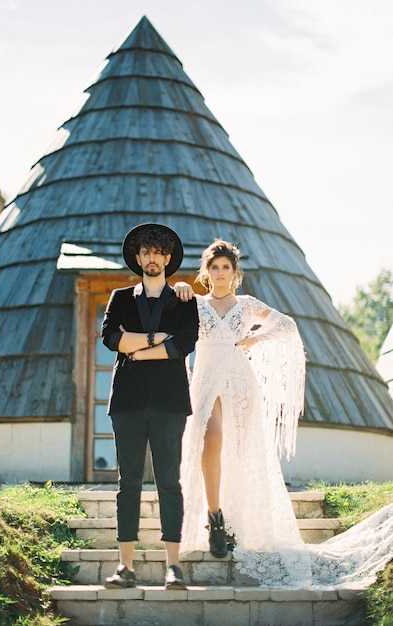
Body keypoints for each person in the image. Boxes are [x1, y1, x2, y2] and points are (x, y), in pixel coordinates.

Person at [175, 239, 393, 588]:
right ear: (206, 271)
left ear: (234, 273)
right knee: (210, 440)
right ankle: (214, 518)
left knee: (241, 452)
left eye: (225, 268)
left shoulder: (245, 305)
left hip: (238, 378)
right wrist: (180, 285)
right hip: (205, 379)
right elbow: (170, 311)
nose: (219, 273)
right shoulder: (195, 304)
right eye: (213, 267)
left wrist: (254, 340)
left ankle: (237, 521)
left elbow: (286, 324)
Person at [101, 223, 199, 590]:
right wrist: (156, 340)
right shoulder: (120, 297)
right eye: (146, 253)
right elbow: (110, 337)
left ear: (168, 258)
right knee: (128, 483)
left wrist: (136, 350)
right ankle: (125, 567)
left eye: (158, 253)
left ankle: (174, 566)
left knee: (169, 482)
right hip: (126, 401)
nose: (151, 258)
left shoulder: (184, 299)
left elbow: (184, 343)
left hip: (170, 401)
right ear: (138, 258)